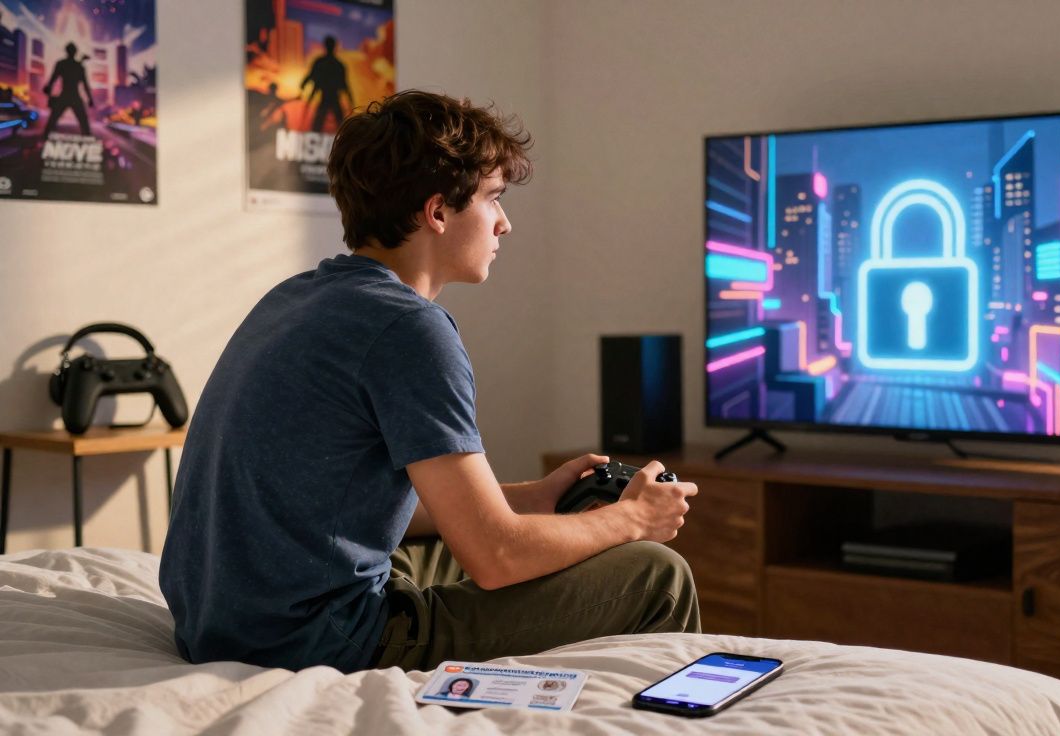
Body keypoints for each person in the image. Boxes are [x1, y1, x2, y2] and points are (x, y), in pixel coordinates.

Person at [159, 90, 701, 674]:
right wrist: (632, 520)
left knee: (489, 538)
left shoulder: (297, 297)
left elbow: (344, 507)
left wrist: (535, 498)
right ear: (437, 212)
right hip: (312, 639)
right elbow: (493, 557)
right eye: (494, 199)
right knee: (656, 573)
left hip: (219, 621)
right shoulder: (410, 329)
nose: (505, 223)